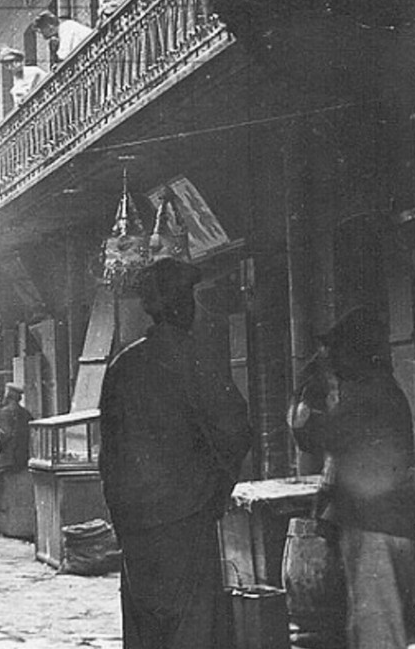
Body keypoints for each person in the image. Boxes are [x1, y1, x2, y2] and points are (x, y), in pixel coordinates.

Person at [100, 258, 250, 649]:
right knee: (193, 628)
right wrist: (216, 488)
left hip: (136, 524)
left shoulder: (122, 366)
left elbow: (109, 457)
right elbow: (236, 430)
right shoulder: (196, 358)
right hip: (186, 519)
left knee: (145, 627)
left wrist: (120, 516)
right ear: (184, 304)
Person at [290, 306, 415, 649]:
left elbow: (314, 437)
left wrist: (306, 393)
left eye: (338, 351)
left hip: (373, 530)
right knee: (377, 628)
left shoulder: (366, 394)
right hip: (383, 527)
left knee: (377, 634)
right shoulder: (380, 389)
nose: (333, 360)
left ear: (356, 352)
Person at [0, 383, 33, 536]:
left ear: (8, 396)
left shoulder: (5, 412)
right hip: (22, 457)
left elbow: (3, 435)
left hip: (7, 458)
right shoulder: (26, 413)